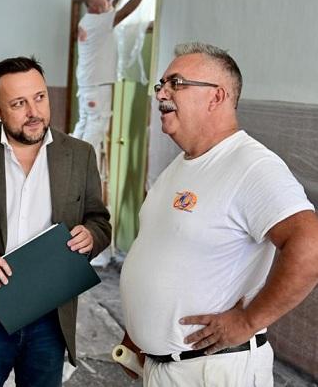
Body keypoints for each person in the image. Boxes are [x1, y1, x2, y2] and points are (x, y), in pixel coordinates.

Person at [119, 42, 318, 386]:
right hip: (162, 367)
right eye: (161, 84)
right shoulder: (178, 168)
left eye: (176, 83)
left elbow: (310, 245)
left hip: (213, 370)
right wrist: (138, 330)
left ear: (216, 97)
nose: (162, 93)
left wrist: (247, 321)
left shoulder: (251, 165)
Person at [0, 56, 112, 387]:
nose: (33, 111)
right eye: (19, 103)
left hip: (50, 321)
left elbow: (99, 220)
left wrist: (91, 236)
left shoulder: (79, 155)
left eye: (39, 97)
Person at [71, 0, 156, 155]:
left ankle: (71, 163)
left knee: (84, 124)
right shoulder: (97, 22)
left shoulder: (90, 20)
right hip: (96, 86)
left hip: (88, 84)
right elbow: (124, 12)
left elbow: (111, 9)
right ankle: (82, 171)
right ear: (94, 5)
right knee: (96, 128)